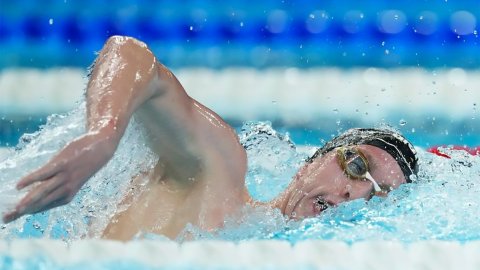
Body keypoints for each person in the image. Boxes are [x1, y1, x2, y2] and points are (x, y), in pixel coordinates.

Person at [2, 36, 418, 240]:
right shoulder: (216, 176)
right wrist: (104, 132)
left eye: (376, 194)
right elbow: (130, 55)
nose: (353, 194)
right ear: (309, 163)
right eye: (357, 165)